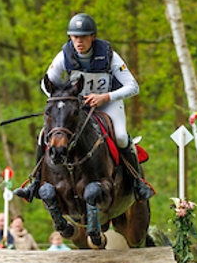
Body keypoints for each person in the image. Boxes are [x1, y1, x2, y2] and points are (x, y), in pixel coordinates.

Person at [14, 12, 154, 203]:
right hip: (77, 108)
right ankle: (35, 183)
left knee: (120, 136)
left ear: (93, 37)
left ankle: (137, 182)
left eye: (83, 37)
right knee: (43, 135)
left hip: (108, 104)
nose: (78, 41)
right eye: (74, 37)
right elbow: (46, 84)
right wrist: (62, 104)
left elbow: (133, 87)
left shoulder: (109, 55)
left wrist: (105, 96)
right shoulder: (65, 55)